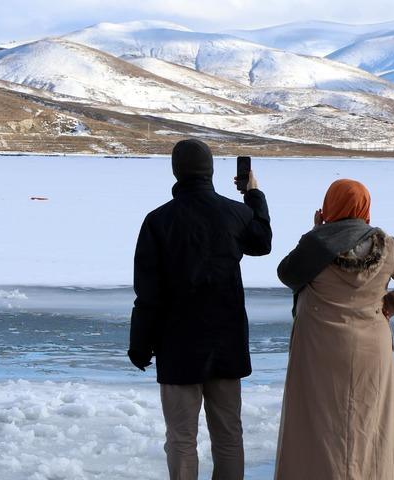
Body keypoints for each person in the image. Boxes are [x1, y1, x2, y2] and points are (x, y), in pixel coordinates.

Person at [128, 138, 272, 479]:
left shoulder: (158, 221)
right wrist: (253, 195)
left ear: (177, 171)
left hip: (178, 346)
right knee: (228, 435)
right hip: (227, 343)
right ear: (210, 171)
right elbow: (262, 242)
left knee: (180, 438)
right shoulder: (235, 213)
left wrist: (140, 345)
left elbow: (148, 293)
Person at [274, 179, 394, 480]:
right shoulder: (386, 245)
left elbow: (287, 274)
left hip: (318, 350)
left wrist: (315, 232)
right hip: (371, 349)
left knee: (316, 424)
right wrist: (393, 304)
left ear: (329, 205)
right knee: (370, 421)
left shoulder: (316, 246)